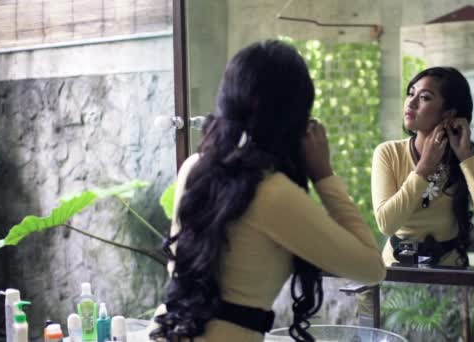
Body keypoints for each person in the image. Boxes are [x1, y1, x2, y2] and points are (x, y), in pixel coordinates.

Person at [147, 40, 386, 342]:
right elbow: (372, 268)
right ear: (294, 116)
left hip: (167, 331)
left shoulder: (195, 168)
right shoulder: (272, 193)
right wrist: (324, 176)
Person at [371, 66, 474, 267]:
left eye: (425, 97)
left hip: (449, 271)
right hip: (396, 272)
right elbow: (386, 223)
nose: (412, 102)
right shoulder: (388, 153)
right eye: (411, 94)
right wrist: (423, 169)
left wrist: (465, 158)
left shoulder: (468, 159)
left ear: (449, 113)